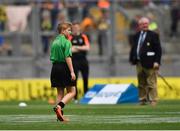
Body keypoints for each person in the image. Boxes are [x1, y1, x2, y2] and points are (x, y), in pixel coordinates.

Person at [129, 17, 162, 106]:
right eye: (143, 24)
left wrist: (157, 62)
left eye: (146, 23)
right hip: (139, 62)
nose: (145, 25)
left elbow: (158, 50)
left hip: (150, 62)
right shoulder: (136, 35)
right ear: (139, 25)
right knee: (141, 82)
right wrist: (132, 59)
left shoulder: (153, 35)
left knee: (151, 82)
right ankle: (142, 99)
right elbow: (134, 48)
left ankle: (153, 100)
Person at [50, 22, 76, 122]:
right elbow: (67, 57)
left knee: (60, 93)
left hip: (55, 67)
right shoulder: (67, 42)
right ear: (63, 30)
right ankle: (59, 107)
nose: (70, 32)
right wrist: (72, 71)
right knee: (72, 92)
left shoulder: (54, 42)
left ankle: (58, 116)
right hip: (64, 67)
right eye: (69, 30)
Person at [69, 22, 90, 103]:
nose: (76, 29)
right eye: (74, 28)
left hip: (83, 60)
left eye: (77, 27)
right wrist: (81, 47)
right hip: (74, 61)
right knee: (74, 79)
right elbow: (70, 50)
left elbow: (87, 48)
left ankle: (86, 97)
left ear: (79, 28)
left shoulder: (83, 36)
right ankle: (75, 98)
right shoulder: (70, 37)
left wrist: (76, 47)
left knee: (85, 78)